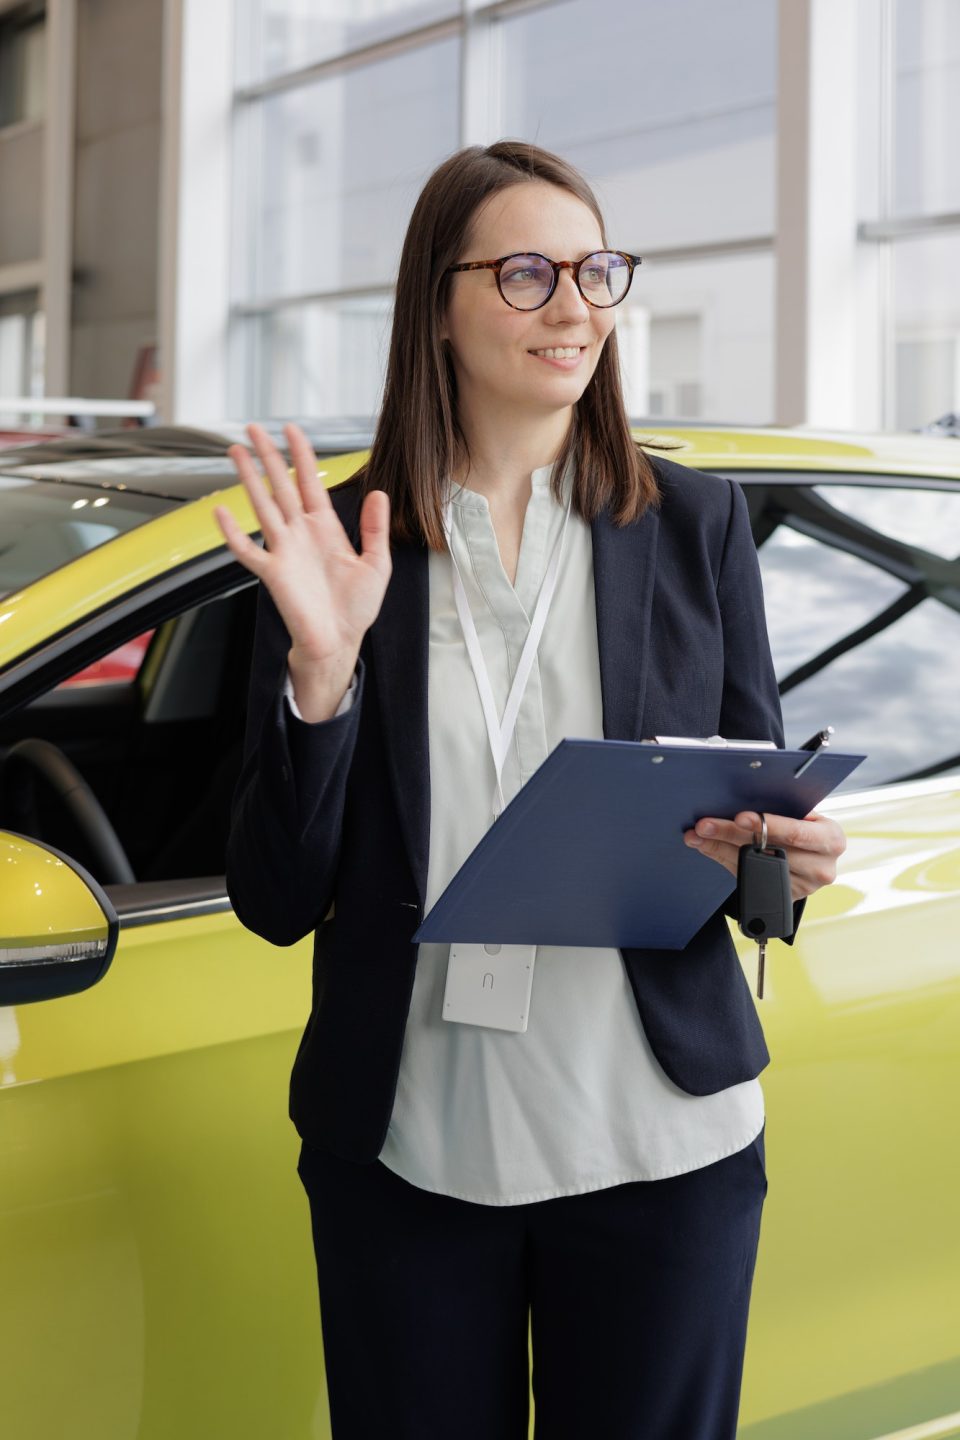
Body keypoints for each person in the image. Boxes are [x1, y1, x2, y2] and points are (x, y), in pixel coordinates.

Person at [214, 141, 846, 1440]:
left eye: (595, 270)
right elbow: (277, 901)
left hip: (663, 1144)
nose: (575, 307)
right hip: (410, 1153)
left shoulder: (694, 525)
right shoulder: (336, 547)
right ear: (435, 304)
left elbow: (751, 819)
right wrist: (321, 677)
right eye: (525, 274)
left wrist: (779, 863)